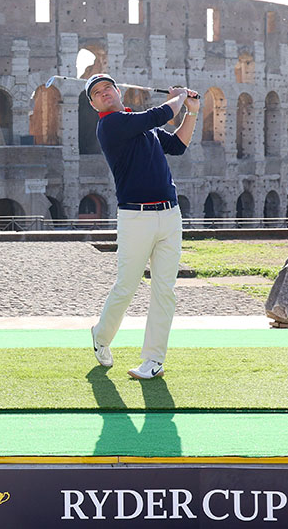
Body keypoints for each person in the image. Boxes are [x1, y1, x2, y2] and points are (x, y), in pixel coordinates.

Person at [86, 73, 200, 380]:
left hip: (169, 215)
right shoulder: (109, 126)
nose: (104, 93)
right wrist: (177, 97)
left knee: (165, 290)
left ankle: (153, 360)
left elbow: (177, 145)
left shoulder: (140, 126)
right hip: (135, 217)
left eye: (107, 87)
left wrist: (192, 111)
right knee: (127, 285)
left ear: (117, 90)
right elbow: (161, 114)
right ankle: (101, 337)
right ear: (95, 105)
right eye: (97, 93)